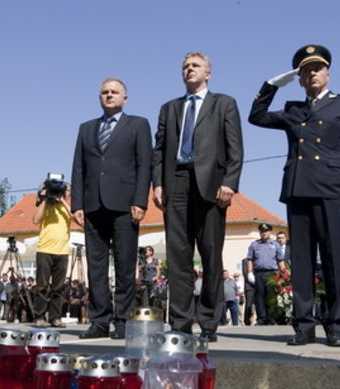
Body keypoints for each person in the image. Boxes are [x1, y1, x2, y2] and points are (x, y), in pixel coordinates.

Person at [249, 44, 340, 347]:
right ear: (299, 78)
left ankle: (336, 325)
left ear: (327, 73)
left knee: (332, 260)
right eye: (305, 71)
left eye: (317, 68)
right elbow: (256, 116)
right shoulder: (293, 110)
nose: (312, 74)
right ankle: (303, 325)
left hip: (331, 191)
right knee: (301, 261)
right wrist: (271, 86)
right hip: (298, 189)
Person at [151, 52, 244, 342]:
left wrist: (229, 182)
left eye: (195, 66)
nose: (189, 69)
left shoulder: (224, 104)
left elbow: (235, 148)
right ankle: (179, 322)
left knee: (210, 254)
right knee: (178, 256)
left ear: (208, 74)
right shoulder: (169, 108)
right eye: (185, 66)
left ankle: (208, 323)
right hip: (176, 182)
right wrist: (158, 183)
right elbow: (159, 149)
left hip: (211, 186)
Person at [72, 78, 152, 339]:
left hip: (124, 205)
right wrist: (77, 204)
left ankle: (123, 322)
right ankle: (99, 322)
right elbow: (79, 168)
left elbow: (145, 166)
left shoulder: (138, 125)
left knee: (125, 266)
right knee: (95, 267)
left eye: (114, 92)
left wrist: (140, 201)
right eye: (104, 92)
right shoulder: (86, 128)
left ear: (124, 98)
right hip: (93, 205)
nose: (109, 96)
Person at [33, 182, 72, 328]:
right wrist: (44, 199)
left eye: (68, 190)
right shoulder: (46, 205)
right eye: (65, 190)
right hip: (45, 250)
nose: (66, 192)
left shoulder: (67, 208)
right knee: (42, 286)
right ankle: (39, 317)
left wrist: (62, 200)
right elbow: (35, 220)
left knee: (59, 287)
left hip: (62, 251)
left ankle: (55, 317)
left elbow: (77, 219)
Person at [245, 223, 284, 326]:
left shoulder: (275, 245)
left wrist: (284, 274)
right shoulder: (254, 245)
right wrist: (249, 273)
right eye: (262, 231)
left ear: (270, 232)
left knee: (271, 296)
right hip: (259, 273)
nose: (264, 233)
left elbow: (280, 260)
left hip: (272, 274)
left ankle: (272, 318)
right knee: (259, 297)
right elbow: (250, 259)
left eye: (266, 231)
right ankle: (262, 319)